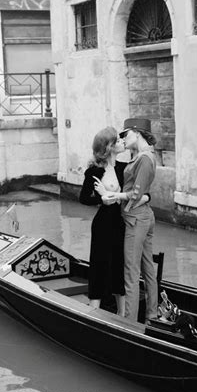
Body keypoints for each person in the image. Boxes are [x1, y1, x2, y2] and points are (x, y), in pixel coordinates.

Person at [79, 126, 150, 316]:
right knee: (100, 265)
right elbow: (84, 198)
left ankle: (123, 314)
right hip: (103, 224)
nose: (121, 142)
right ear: (109, 147)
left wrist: (147, 197)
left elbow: (138, 191)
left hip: (121, 223)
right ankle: (94, 311)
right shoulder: (94, 171)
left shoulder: (124, 168)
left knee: (120, 266)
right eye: (117, 141)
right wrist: (100, 199)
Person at [100, 118, 157, 323]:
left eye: (126, 134)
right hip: (144, 215)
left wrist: (115, 196)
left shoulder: (143, 158)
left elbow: (136, 193)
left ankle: (130, 322)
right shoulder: (146, 156)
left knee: (131, 272)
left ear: (137, 133)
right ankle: (151, 315)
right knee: (148, 268)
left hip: (136, 218)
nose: (124, 138)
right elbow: (142, 193)